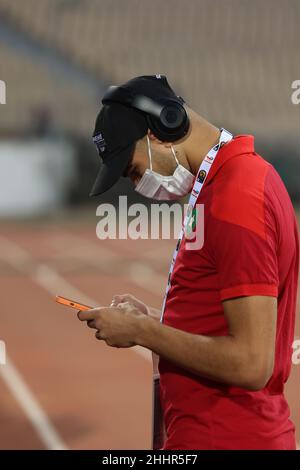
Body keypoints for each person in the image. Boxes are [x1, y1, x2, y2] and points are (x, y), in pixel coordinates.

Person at [78, 75, 299, 450]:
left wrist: (144, 334)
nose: (136, 184)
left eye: (132, 169)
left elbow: (250, 363)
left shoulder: (238, 196)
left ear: (163, 126)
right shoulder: (226, 183)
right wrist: (152, 321)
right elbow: (216, 320)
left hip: (230, 438)